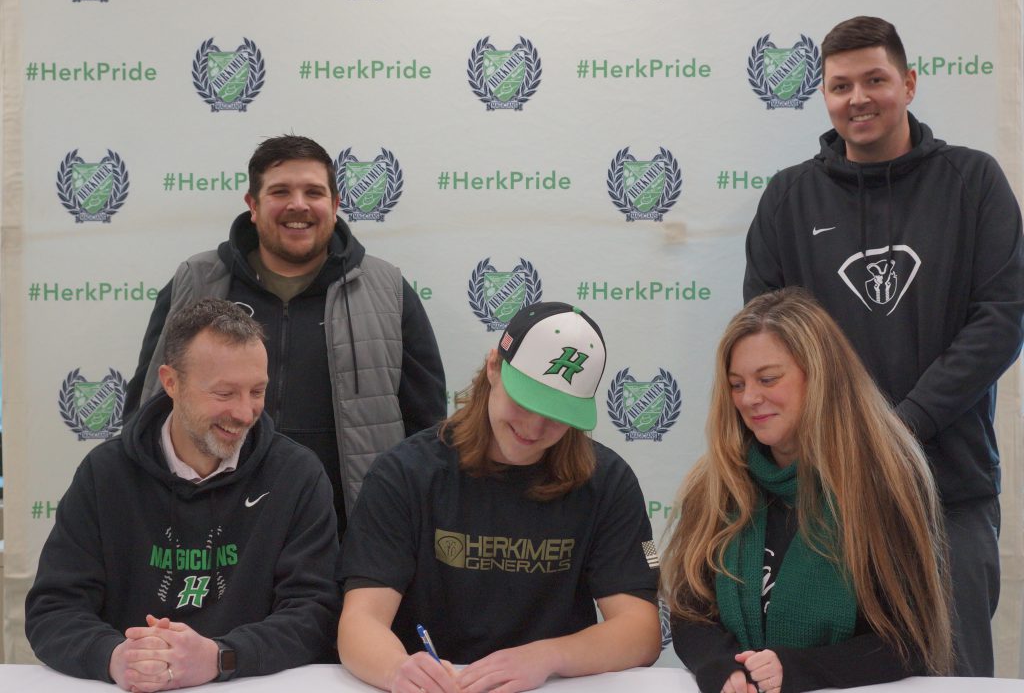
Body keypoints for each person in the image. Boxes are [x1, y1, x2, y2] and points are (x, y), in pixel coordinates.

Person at [742, 16, 1024, 676]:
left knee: (951, 674)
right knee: (828, 672)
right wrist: (847, 441)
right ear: (824, 96)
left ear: (910, 83)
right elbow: (764, 338)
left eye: (875, 79)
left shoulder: (974, 182)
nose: (858, 98)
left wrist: (899, 430)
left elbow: (1003, 318)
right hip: (823, 500)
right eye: (841, 85)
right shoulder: (788, 198)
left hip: (948, 491)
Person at [124, 135, 446, 541]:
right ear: (253, 206)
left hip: (352, 533)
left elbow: (427, 426)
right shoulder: (197, 280)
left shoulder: (388, 290)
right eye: (280, 192)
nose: (298, 205)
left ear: (335, 204)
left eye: (314, 192)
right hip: (211, 529)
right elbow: (149, 404)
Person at [337, 302, 662, 693]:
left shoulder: (606, 481)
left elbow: (641, 632)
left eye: (557, 414)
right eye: (525, 401)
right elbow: (360, 621)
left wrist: (547, 657)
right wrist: (397, 670)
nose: (534, 427)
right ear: (494, 367)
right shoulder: (405, 473)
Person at [26, 299, 340, 691]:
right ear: (171, 382)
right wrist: (115, 657)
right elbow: (53, 609)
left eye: (257, 391)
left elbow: (314, 613)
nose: (245, 412)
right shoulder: (105, 474)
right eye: (225, 394)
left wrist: (221, 657)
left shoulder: (297, 474)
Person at [662, 288, 952, 693]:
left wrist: (798, 669)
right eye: (736, 384)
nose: (749, 398)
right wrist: (722, 667)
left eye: (767, 379)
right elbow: (691, 612)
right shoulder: (713, 482)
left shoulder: (887, 479)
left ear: (820, 375)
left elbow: (911, 642)